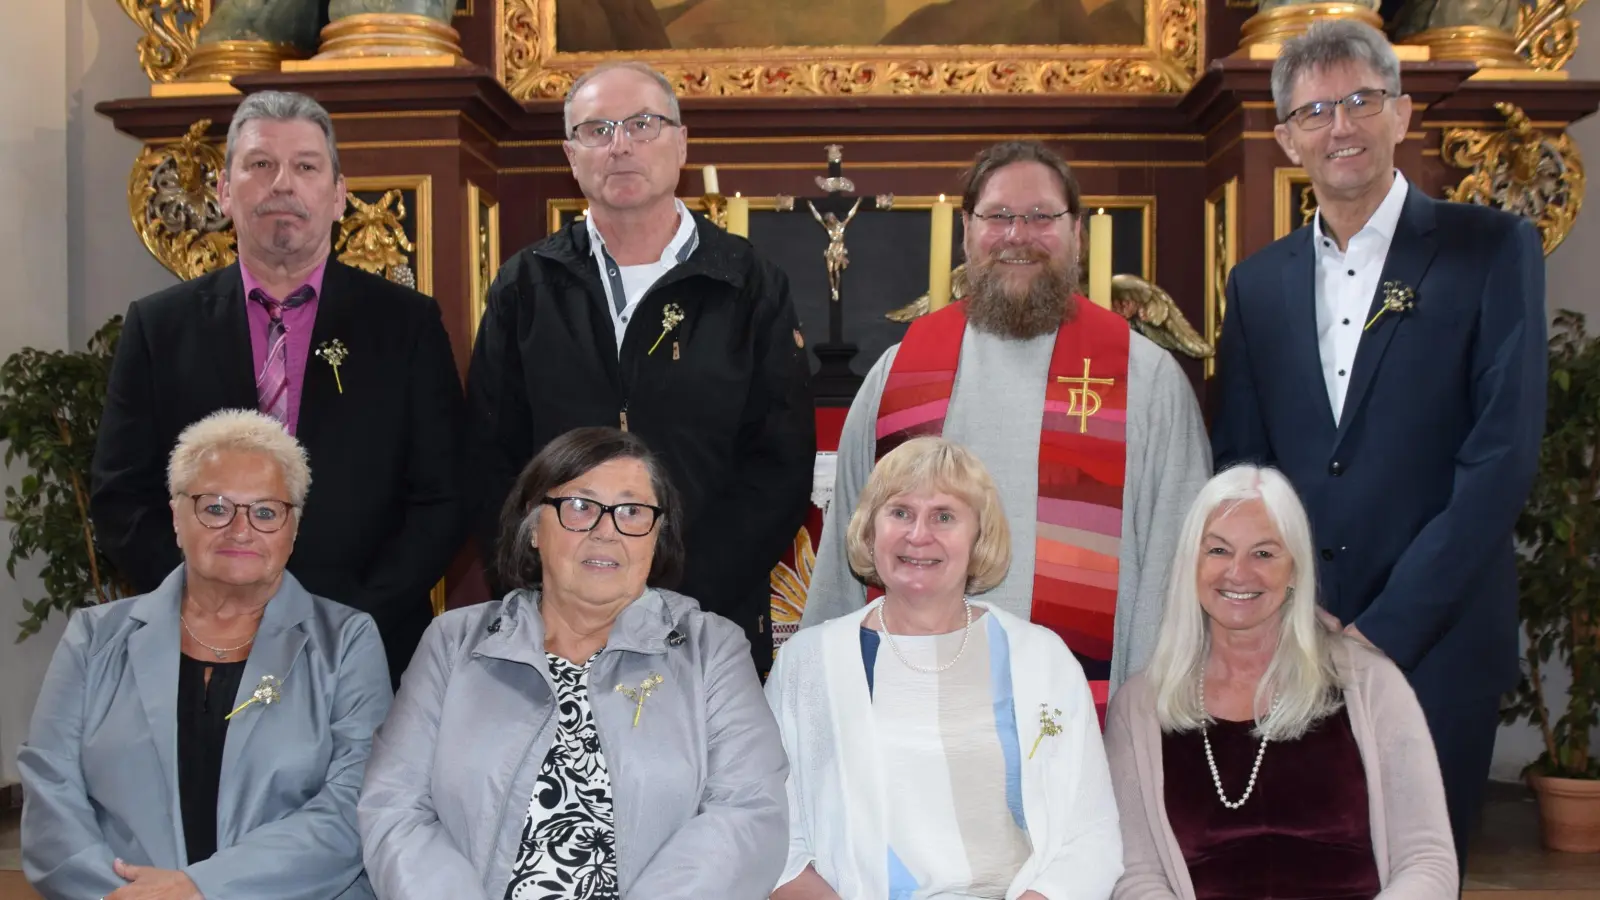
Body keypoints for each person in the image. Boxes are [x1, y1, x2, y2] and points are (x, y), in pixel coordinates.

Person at [1211, 19, 1547, 867]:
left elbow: (1500, 456)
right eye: (1316, 110)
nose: (1341, 127)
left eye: (1361, 100)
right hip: (1295, 648)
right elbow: (1244, 466)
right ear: (1288, 138)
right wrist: (1290, 612)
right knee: (1296, 871)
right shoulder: (1256, 285)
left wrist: (1383, 627)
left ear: (1401, 113)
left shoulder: (1490, 249)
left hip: (1438, 640)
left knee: (1420, 872)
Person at [804, 140, 1210, 711]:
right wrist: (828, 704)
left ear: (1079, 237)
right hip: (909, 715)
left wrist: (1140, 722)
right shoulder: (899, 372)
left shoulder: (1147, 380)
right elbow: (848, 552)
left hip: (1082, 721)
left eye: (1042, 216)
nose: (1019, 235)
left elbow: (1175, 569)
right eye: (998, 217)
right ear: (967, 232)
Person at [91, 90, 467, 685]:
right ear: (223, 190)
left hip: (365, 646)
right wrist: (212, 602)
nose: (282, 184)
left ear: (339, 196)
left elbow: (444, 497)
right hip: (200, 649)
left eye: (306, 166)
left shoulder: (407, 325)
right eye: (260, 164)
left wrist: (347, 614)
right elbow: (120, 496)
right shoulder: (159, 326)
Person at [467, 61, 814, 673]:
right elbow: (492, 459)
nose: (620, 145)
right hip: (558, 618)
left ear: (681, 143)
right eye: (597, 130)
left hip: (708, 615)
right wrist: (543, 585)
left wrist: (680, 596)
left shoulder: (747, 281)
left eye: (643, 125)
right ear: (571, 155)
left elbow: (778, 464)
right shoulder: (528, 285)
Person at [359, 427, 789, 900]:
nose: (607, 531)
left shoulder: (711, 649)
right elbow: (395, 808)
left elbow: (747, 812)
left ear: (656, 536)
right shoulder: (454, 642)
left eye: (632, 511)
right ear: (533, 528)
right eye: (580, 507)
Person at [20, 409, 392, 900]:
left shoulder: (346, 642)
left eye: (265, 511)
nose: (240, 530)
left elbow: (355, 806)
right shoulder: (94, 638)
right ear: (176, 516)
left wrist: (202, 889)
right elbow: (51, 795)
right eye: (215, 507)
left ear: (293, 528)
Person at [770, 437, 1121, 900]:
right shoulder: (806, 663)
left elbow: (1091, 837)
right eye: (899, 512)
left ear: (979, 538)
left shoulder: (1043, 660)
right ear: (869, 530)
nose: (919, 535)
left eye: (944, 516)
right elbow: (774, 840)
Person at [1106, 465, 1457, 898]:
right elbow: (1137, 877)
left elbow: (1427, 861)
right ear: (1189, 565)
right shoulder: (1138, 709)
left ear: (1295, 570)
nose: (1238, 572)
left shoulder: (1370, 684)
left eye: (1264, 553)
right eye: (1218, 550)